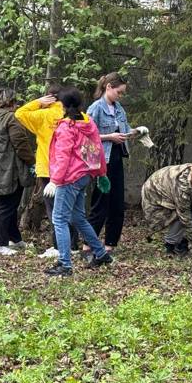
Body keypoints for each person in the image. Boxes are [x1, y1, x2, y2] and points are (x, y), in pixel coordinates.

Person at [43, 87, 114, 276]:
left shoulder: (67, 127)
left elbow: (63, 156)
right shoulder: (88, 122)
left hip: (69, 177)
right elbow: (97, 148)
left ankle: (65, 264)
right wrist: (101, 173)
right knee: (78, 217)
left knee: (59, 219)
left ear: (62, 105)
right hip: (84, 176)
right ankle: (100, 253)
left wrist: (55, 180)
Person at [14, 84, 79, 255]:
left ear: (49, 97)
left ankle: (59, 246)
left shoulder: (43, 115)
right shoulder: (74, 115)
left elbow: (20, 113)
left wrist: (37, 102)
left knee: (53, 210)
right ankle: (73, 244)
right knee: (70, 207)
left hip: (48, 168)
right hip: (72, 169)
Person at [0, 88, 35, 255]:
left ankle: (15, 238)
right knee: (7, 206)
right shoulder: (11, 118)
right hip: (10, 170)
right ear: (12, 102)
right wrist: (32, 161)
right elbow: (20, 143)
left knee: (6, 205)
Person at [86, 72, 131, 254]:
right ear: (108, 87)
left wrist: (136, 132)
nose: (120, 96)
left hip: (117, 157)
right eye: (119, 92)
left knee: (117, 202)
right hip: (101, 160)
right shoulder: (95, 108)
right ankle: (89, 243)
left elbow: (125, 130)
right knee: (100, 201)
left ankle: (110, 243)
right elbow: (87, 134)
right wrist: (109, 137)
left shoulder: (119, 109)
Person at [141, 163, 192, 259]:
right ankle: (170, 244)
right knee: (179, 215)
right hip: (155, 199)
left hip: (169, 191)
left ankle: (184, 240)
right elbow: (186, 219)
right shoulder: (183, 189)